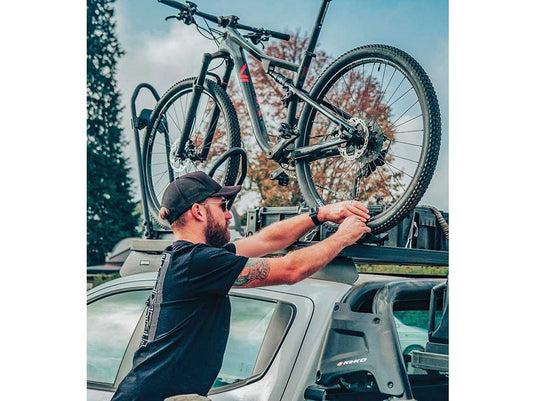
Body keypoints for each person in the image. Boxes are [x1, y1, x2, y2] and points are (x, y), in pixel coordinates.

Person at [111, 171, 371, 401]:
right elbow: (292, 270)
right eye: (222, 205)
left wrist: (321, 215)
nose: (227, 215)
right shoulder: (197, 262)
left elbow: (265, 241)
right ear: (198, 211)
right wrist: (343, 237)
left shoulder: (192, 259)